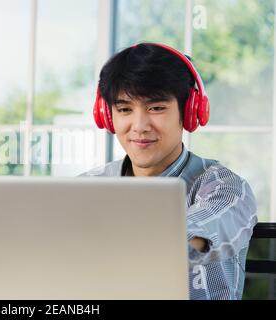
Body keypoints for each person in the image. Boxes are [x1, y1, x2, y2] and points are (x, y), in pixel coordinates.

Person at [80, 42, 258, 300]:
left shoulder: (226, 189)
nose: (139, 126)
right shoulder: (85, 188)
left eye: (156, 108)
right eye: (125, 109)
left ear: (189, 112)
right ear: (107, 116)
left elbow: (193, 236)